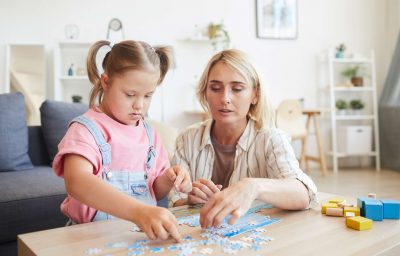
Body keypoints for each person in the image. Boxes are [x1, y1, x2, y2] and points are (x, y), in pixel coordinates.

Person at [53, 40, 191, 242]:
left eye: (148, 96)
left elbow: (154, 190)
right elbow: (77, 182)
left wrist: (168, 178)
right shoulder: (86, 129)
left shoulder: (150, 135)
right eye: (130, 94)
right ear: (105, 82)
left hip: (138, 238)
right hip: (88, 238)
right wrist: (139, 212)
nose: (139, 105)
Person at [170, 49, 318, 228]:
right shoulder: (187, 139)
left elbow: (304, 194)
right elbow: (174, 199)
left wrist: (253, 187)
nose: (225, 98)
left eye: (237, 89)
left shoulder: (271, 139)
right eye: (215, 88)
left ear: (255, 95)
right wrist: (189, 200)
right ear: (205, 93)